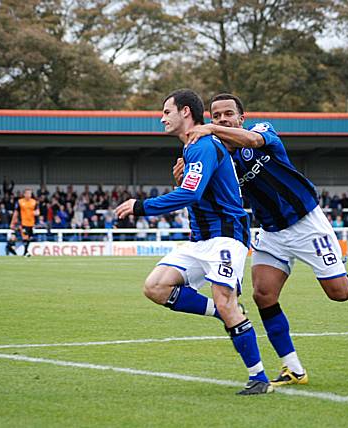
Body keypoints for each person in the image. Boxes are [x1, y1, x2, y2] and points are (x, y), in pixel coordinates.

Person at [182, 93, 348, 387]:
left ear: (241, 118)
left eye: (227, 114)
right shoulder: (217, 154)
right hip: (271, 232)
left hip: (307, 223)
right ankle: (293, 368)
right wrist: (183, 174)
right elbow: (202, 189)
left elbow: (253, 142)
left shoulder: (262, 132)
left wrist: (211, 130)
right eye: (215, 116)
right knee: (263, 295)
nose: (221, 120)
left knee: (339, 291)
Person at [115, 89, 272, 395]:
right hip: (200, 239)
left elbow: (191, 194)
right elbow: (197, 190)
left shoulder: (202, 144)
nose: (162, 118)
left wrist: (141, 207)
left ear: (185, 112)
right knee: (156, 287)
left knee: (227, 304)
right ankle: (224, 310)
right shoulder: (192, 148)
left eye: (166, 112)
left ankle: (259, 379)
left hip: (226, 236)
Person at [9, 188, 38, 257]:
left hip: (31, 223)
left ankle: (12, 247)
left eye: (30, 193)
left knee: (28, 238)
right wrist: (12, 222)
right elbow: (16, 212)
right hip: (22, 222)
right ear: (24, 194)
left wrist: (36, 213)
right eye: (27, 193)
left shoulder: (34, 202)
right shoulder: (20, 202)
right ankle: (25, 252)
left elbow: (38, 211)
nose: (28, 195)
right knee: (25, 237)